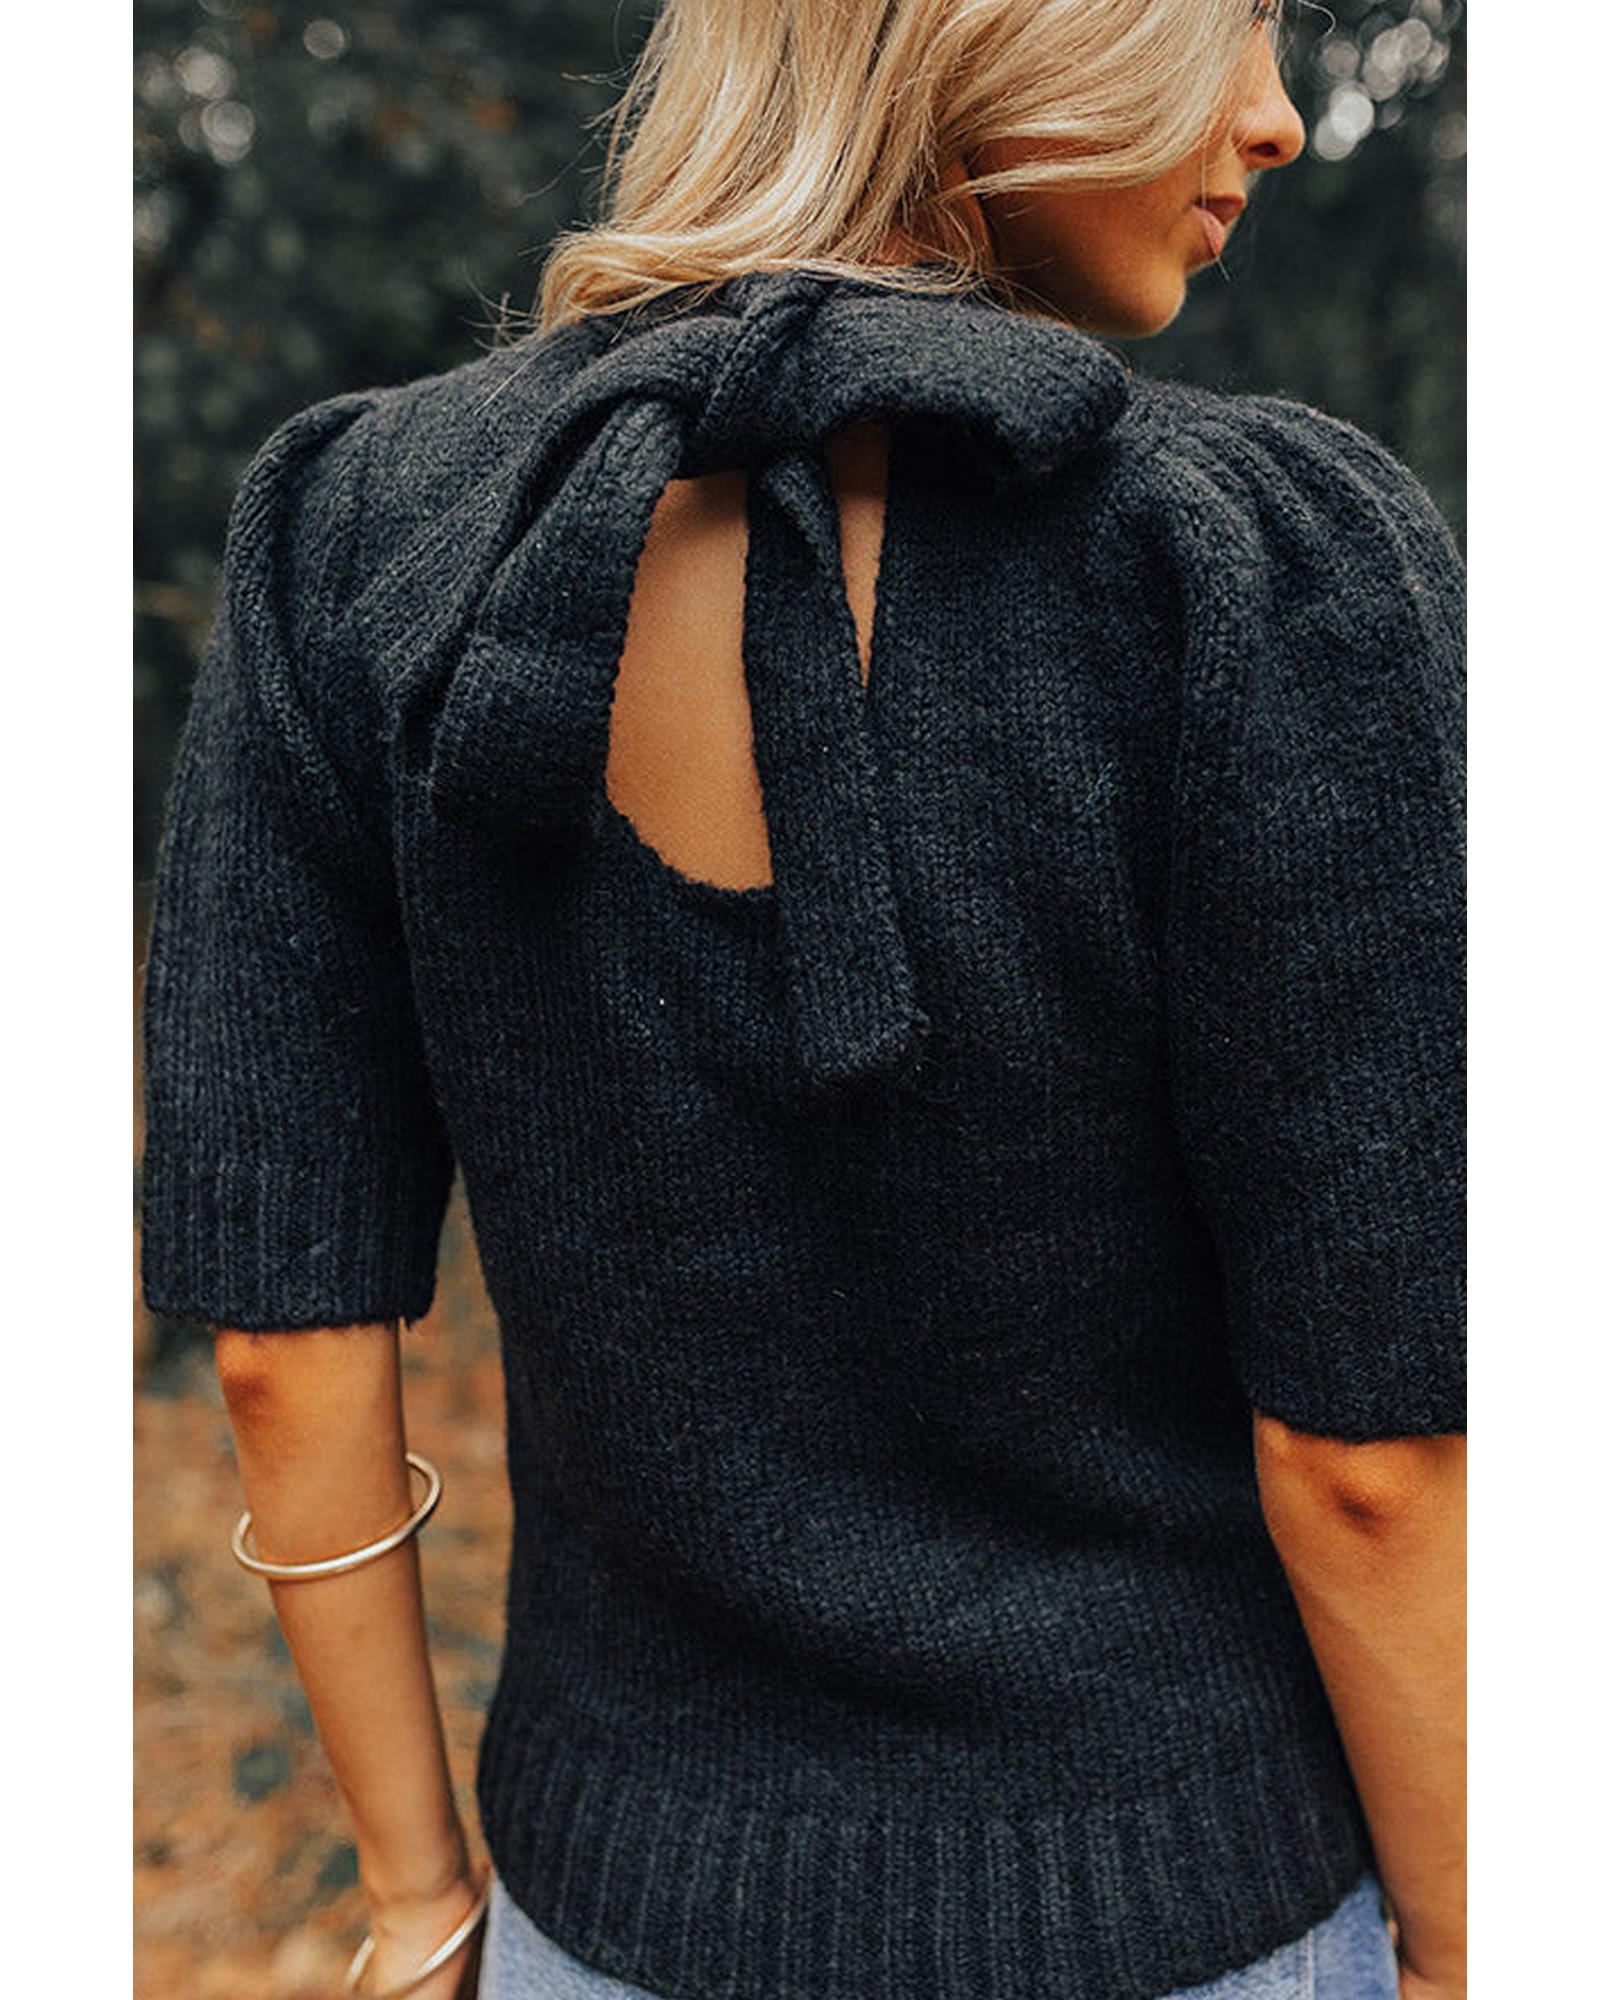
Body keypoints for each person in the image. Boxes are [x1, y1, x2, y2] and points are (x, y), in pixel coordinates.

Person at [138, 2, 1466, 1997]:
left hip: (612, 1919)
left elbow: (281, 1348)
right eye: (1224, 27)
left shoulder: (351, 535)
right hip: (1188, 1914)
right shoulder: (1258, 563)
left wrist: (419, 1904)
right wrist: (1467, 1941)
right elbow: (1370, 1459)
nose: (1273, 117)